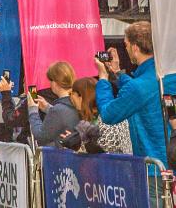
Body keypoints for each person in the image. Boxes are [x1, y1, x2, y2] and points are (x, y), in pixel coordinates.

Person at [93, 21, 168, 202]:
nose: (125, 49)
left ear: (135, 48)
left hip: (152, 169)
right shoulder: (162, 75)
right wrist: (117, 73)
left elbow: (109, 114)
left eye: (125, 45)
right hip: (165, 161)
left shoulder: (139, 86)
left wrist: (103, 79)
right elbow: (139, 93)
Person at [60, 77, 133, 154]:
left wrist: (78, 146)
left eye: (71, 93)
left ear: (81, 96)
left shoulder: (107, 115)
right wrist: (75, 140)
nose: (70, 97)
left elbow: (107, 146)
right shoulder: (94, 116)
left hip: (118, 164)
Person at [26, 62, 81, 147]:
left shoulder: (58, 109)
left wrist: (33, 110)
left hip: (59, 156)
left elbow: (40, 136)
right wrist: (48, 108)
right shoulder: (77, 101)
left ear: (55, 83)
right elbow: (65, 116)